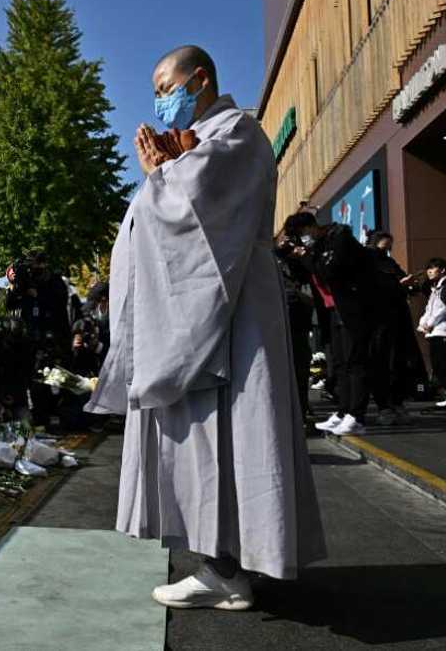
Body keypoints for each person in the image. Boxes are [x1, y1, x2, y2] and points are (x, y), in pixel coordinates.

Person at [87, 44, 325, 611]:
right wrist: (170, 169)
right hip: (213, 308)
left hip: (228, 309)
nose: (160, 103)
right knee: (217, 440)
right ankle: (229, 564)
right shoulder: (214, 139)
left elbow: (187, 209)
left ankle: (227, 571)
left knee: (228, 434)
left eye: (166, 89)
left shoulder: (237, 132)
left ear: (200, 80)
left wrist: (163, 173)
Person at [285, 212, 381, 435]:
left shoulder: (339, 238)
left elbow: (329, 270)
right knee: (339, 363)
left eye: (302, 234)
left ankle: (357, 416)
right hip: (332, 311)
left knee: (355, 361)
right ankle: (343, 411)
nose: (303, 239)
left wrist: (307, 255)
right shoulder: (317, 246)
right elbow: (305, 271)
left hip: (353, 308)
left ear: (311, 227)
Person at [6, 251, 70, 426]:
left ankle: (53, 416)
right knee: (30, 380)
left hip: (50, 339)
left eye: (34, 264)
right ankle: (38, 415)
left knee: (49, 382)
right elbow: (10, 304)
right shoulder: (25, 282)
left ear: (43, 264)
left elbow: (59, 304)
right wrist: (14, 285)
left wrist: (38, 296)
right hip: (29, 339)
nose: (31, 269)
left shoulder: (54, 281)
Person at [364, 231, 413, 425]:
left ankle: (397, 403)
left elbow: (400, 278)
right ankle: (384, 407)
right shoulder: (367, 262)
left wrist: (407, 283)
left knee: (399, 362)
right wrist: (396, 285)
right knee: (381, 362)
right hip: (379, 319)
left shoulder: (390, 263)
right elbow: (372, 288)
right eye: (385, 246)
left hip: (398, 317)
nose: (387, 250)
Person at [274, 234, 315, 417]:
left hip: (297, 324)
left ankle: (301, 408)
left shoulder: (301, 265)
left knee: (300, 368)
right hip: (280, 324)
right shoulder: (270, 261)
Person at [417, 258, 446, 402]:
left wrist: (429, 323)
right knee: (439, 366)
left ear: (442, 270)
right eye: (428, 269)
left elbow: (443, 309)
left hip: (445, 331)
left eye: (433, 268)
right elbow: (429, 309)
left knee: (445, 366)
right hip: (436, 332)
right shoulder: (437, 287)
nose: (429, 271)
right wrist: (423, 323)